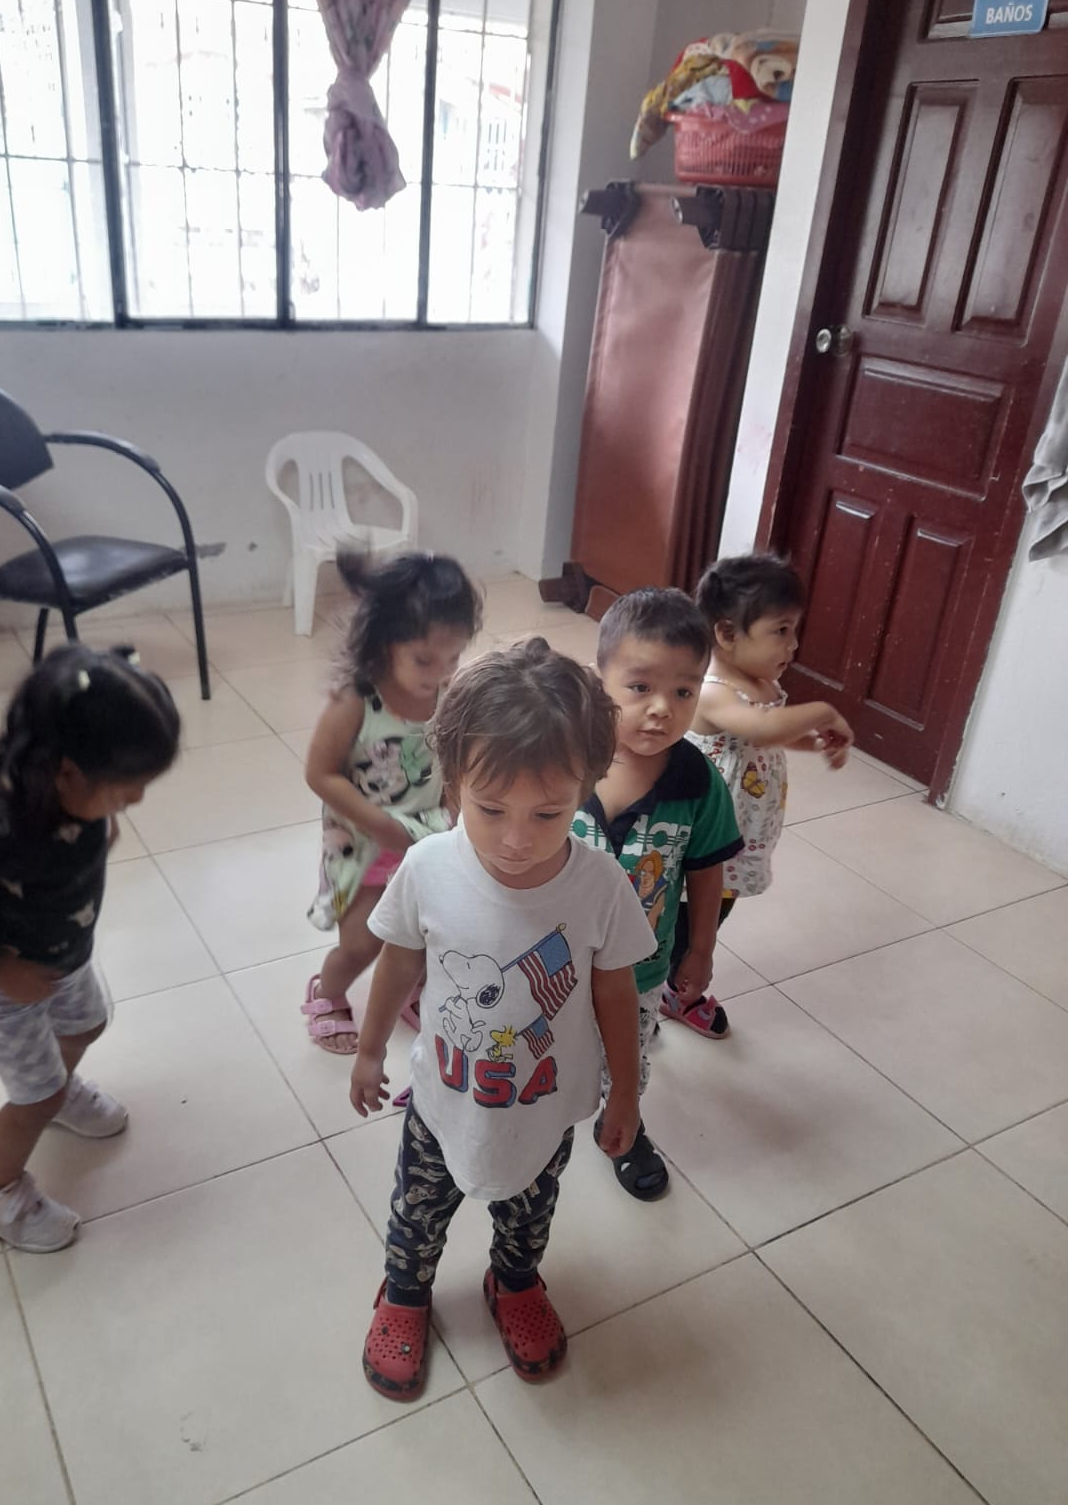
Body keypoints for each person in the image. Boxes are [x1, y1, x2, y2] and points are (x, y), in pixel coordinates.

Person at [349, 639, 655, 1400]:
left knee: (530, 1214)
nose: (517, 838)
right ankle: (405, 1292)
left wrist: (624, 1092)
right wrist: (369, 1049)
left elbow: (616, 993)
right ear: (453, 781)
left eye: (548, 813)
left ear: (587, 784)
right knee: (417, 1213)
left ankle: (514, 1282)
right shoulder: (429, 869)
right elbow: (398, 963)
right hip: (441, 1101)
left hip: (545, 1107)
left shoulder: (600, 886)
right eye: (490, 809)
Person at [0, 644, 180, 1253]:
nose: (136, 800)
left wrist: (98, 821)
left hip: (59, 955)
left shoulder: (67, 787)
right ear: (67, 771)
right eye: (127, 788)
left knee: (88, 1024)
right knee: (34, 1095)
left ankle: (56, 1093)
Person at [572, 588, 744, 1200]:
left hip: (640, 967)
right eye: (640, 687)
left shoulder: (698, 782)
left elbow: (706, 871)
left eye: (684, 692)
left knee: (626, 1055)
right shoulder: (564, 759)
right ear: (599, 679)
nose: (661, 711)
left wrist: (701, 949)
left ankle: (625, 1121)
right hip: (546, 959)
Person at [302, 547, 482, 1055]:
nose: (440, 672)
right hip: (363, 840)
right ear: (385, 644)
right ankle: (328, 991)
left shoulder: (447, 693)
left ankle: (408, 989)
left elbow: (453, 756)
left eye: (453, 657)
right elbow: (319, 773)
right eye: (424, 659)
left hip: (427, 834)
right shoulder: (355, 700)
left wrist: (457, 808)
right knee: (362, 942)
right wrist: (379, 824)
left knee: (425, 930)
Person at [672, 552, 853, 1032]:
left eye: (795, 630)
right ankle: (672, 989)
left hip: (738, 837)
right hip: (703, 840)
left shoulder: (761, 683)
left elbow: (769, 734)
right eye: (781, 631)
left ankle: (675, 979)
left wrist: (815, 743)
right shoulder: (713, 688)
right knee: (687, 921)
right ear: (727, 633)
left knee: (714, 911)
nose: (793, 644)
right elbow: (762, 727)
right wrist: (825, 711)